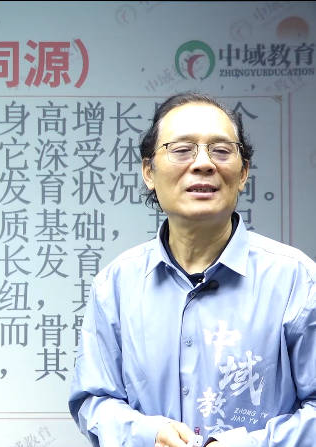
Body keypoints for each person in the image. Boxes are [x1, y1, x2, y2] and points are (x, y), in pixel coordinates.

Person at [68, 92, 315, 447]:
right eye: (182, 150)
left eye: (221, 151)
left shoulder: (297, 280)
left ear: (243, 173)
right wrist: (147, 435)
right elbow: (94, 399)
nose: (203, 163)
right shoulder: (116, 285)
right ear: (149, 172)